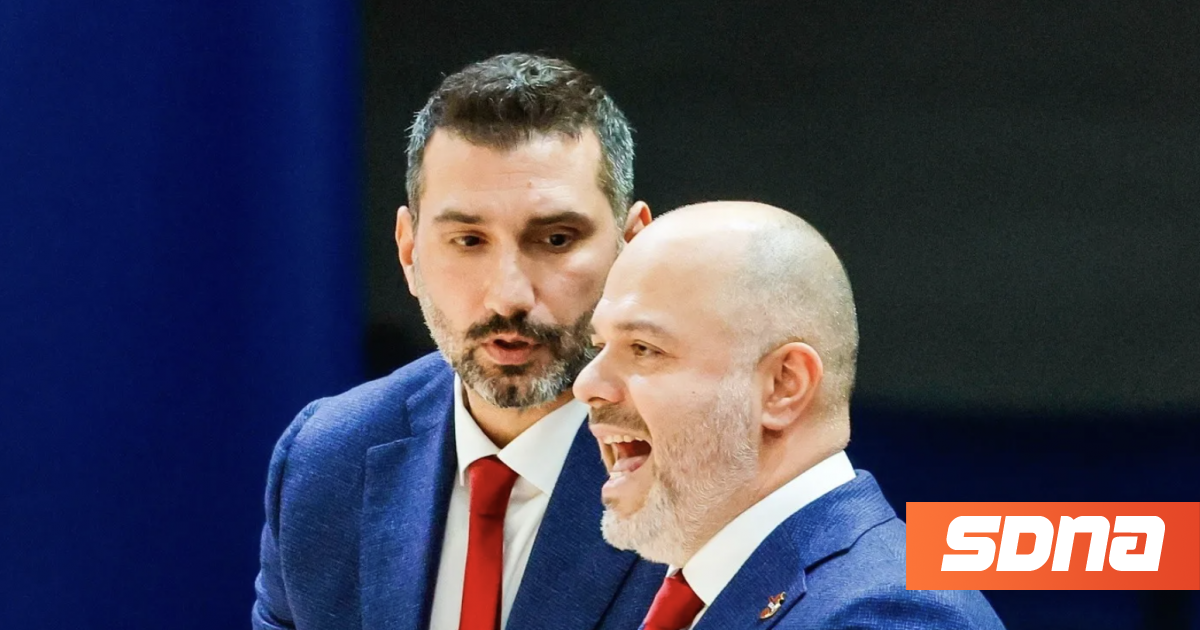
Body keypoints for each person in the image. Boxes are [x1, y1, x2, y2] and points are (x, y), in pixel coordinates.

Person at [252, 53, 665, 630]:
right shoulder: (325, 461)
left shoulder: (711, 473)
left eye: (555, 238)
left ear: (634, 246)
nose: (508, 296)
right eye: (469, 241)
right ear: (409, 251)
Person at [575, 202, 1005, 629]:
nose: (586, 384)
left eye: (644, 349)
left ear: (783, 386)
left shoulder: (881, 613)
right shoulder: (689, 590)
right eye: (599, 347)